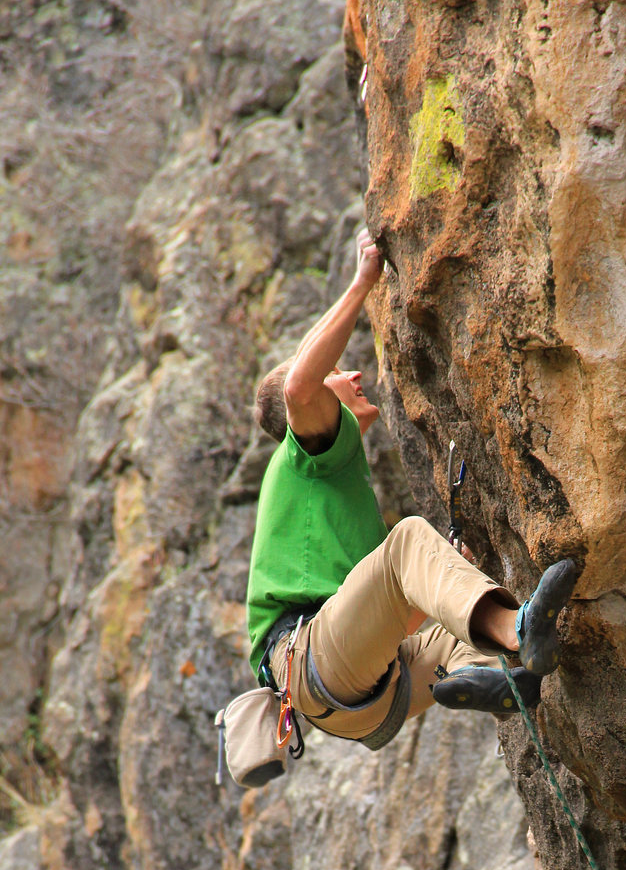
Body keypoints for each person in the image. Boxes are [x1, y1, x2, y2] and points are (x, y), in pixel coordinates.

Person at [245, 229, 577, 752]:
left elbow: (387, 619)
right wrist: (363, 282)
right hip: (311, 659)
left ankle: (501, 675)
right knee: (406, 545)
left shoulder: (326, 484)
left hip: (360, 700)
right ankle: (518, 632)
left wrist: (439, 572)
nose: (353, 372)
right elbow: (296, 389)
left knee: (444, 611)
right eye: (335, 370)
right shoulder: (304, 454)